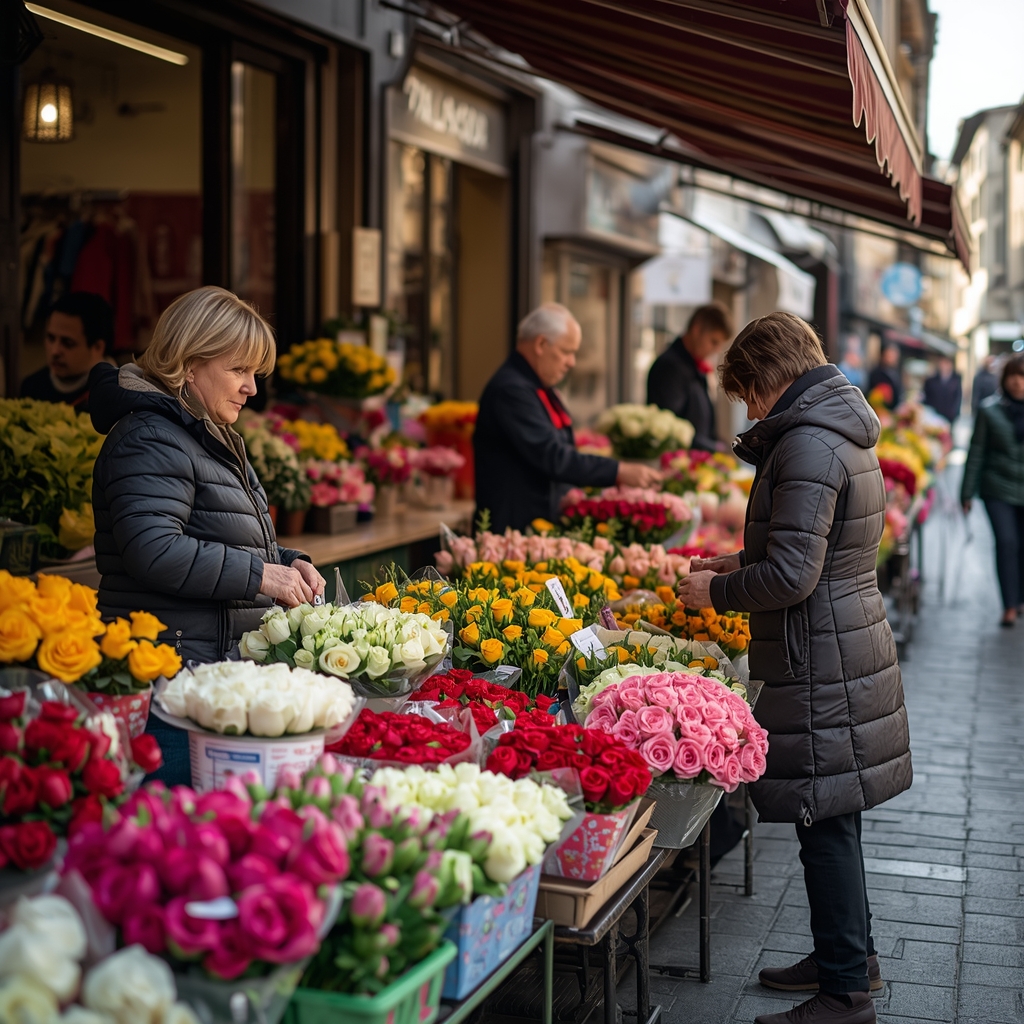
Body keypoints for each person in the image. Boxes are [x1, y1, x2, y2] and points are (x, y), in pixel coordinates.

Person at [678, 312, 911, 1024]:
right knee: (833, 818)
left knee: (822, 820)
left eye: (748, 394)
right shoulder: (834, 428)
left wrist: (715, 589)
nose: (749, 410)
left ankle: (843, 994)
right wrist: (737, 561)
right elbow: (815, 549)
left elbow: (793, 575)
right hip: (839, 644)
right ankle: (851, 957)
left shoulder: (808, 441)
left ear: (770, 376)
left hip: (822, 657)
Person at [90, 286, 326, 784]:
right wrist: (264, 575)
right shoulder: (149, 435)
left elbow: (230, 537)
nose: (252, 389)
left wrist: (289, 560)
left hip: (205, 679)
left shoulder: (206, 434)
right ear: (189, 363)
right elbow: (153, 549)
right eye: (239, 370)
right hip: (170, 684)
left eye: (255, 374)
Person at [474, 303, 661, 532]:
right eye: (566, 351)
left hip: (533, 526)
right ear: (541, 344)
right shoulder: (511, 390)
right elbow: (553, 456)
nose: (571, 362)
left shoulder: (535, 385)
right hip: (512, 530)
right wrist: (618, 471)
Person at [961, 355, 1024, 628]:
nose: (1018, 382)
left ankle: (1019, 597)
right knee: (1008, 542)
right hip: (997, 488)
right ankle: (1009, 605)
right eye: (1013, 375)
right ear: (1004, 378)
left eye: (1022, 376)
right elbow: (976, 452)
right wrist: (966, 493)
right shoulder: (989, 410)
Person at [646, 303, 733, 451]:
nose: (717, 350)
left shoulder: (692, 364)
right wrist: (714, 447)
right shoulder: (670, 367)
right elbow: (670, 428)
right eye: (713, 342)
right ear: (697, 329)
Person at [20, 292, 114, 414]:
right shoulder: (32, 387)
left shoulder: (118, 395)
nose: (54, 351)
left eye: (67, 343)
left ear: (97, 347)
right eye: (51, 338)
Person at [922, 355, 962, 424]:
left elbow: (958, 397)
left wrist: (955, 413)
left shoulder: (956, 380)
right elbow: (927, 395)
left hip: (949, 415)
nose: (944, 365)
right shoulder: (932, 380)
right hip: (935, 415)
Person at [866, 342, 903, 410]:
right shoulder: (877, 374)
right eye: (889, 355)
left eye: (894, 355)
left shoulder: (895, 373)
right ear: (883, 355)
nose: (892, 358)